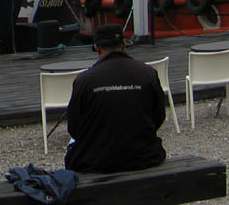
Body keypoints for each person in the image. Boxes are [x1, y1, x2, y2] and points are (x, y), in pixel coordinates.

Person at [65, 24, 167, 172]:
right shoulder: (148, 73)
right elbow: (159, 116)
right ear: (124, 45)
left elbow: (74, 128)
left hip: (96, 161)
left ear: (97, 48)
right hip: (145, 157)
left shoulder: (84, 80)